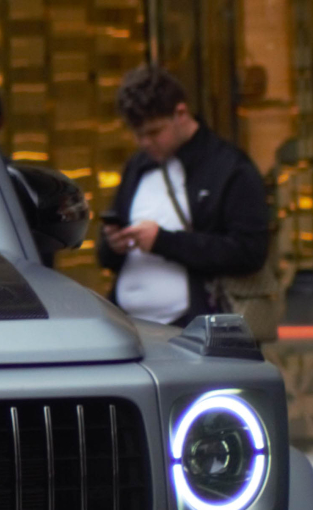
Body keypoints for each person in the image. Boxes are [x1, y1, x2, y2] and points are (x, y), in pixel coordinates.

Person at [97, 65, 271, 327]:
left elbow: (249, 251)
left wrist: (163, 241)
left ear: (181, 113)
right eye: (138, 134)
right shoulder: (138, 166)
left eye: (154, 132)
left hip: (197, 329)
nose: (145, 142)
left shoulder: (229, 167)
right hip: (131, 325)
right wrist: (114, 244)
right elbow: (106, 257)